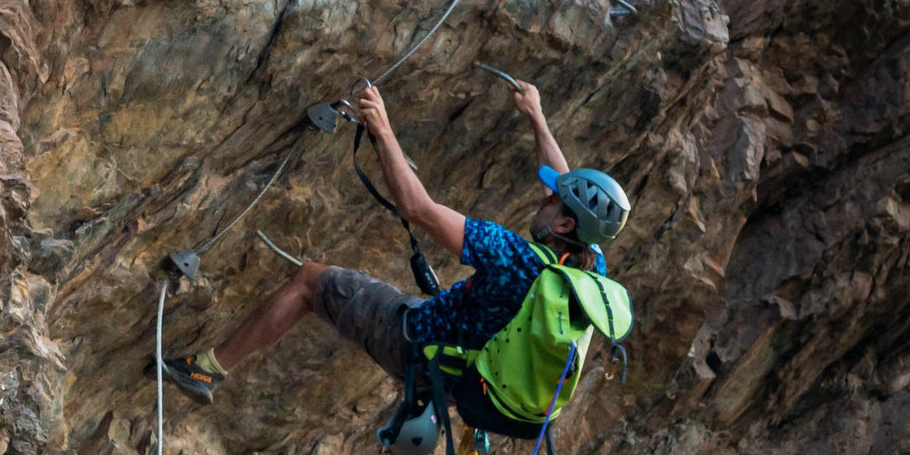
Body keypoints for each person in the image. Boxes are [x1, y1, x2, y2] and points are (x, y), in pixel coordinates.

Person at [157, 80, 631, 425]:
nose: (542, 196)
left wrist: (382, 129)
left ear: (565, 223)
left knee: (310, 281)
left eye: (551, 200)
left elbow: (417, 208)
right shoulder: (589, 270)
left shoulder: (510, 255)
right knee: (357, 285)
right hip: (458, 374)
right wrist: (537, 118)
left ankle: (206, 369)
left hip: (413, 340)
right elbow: (563, 181)